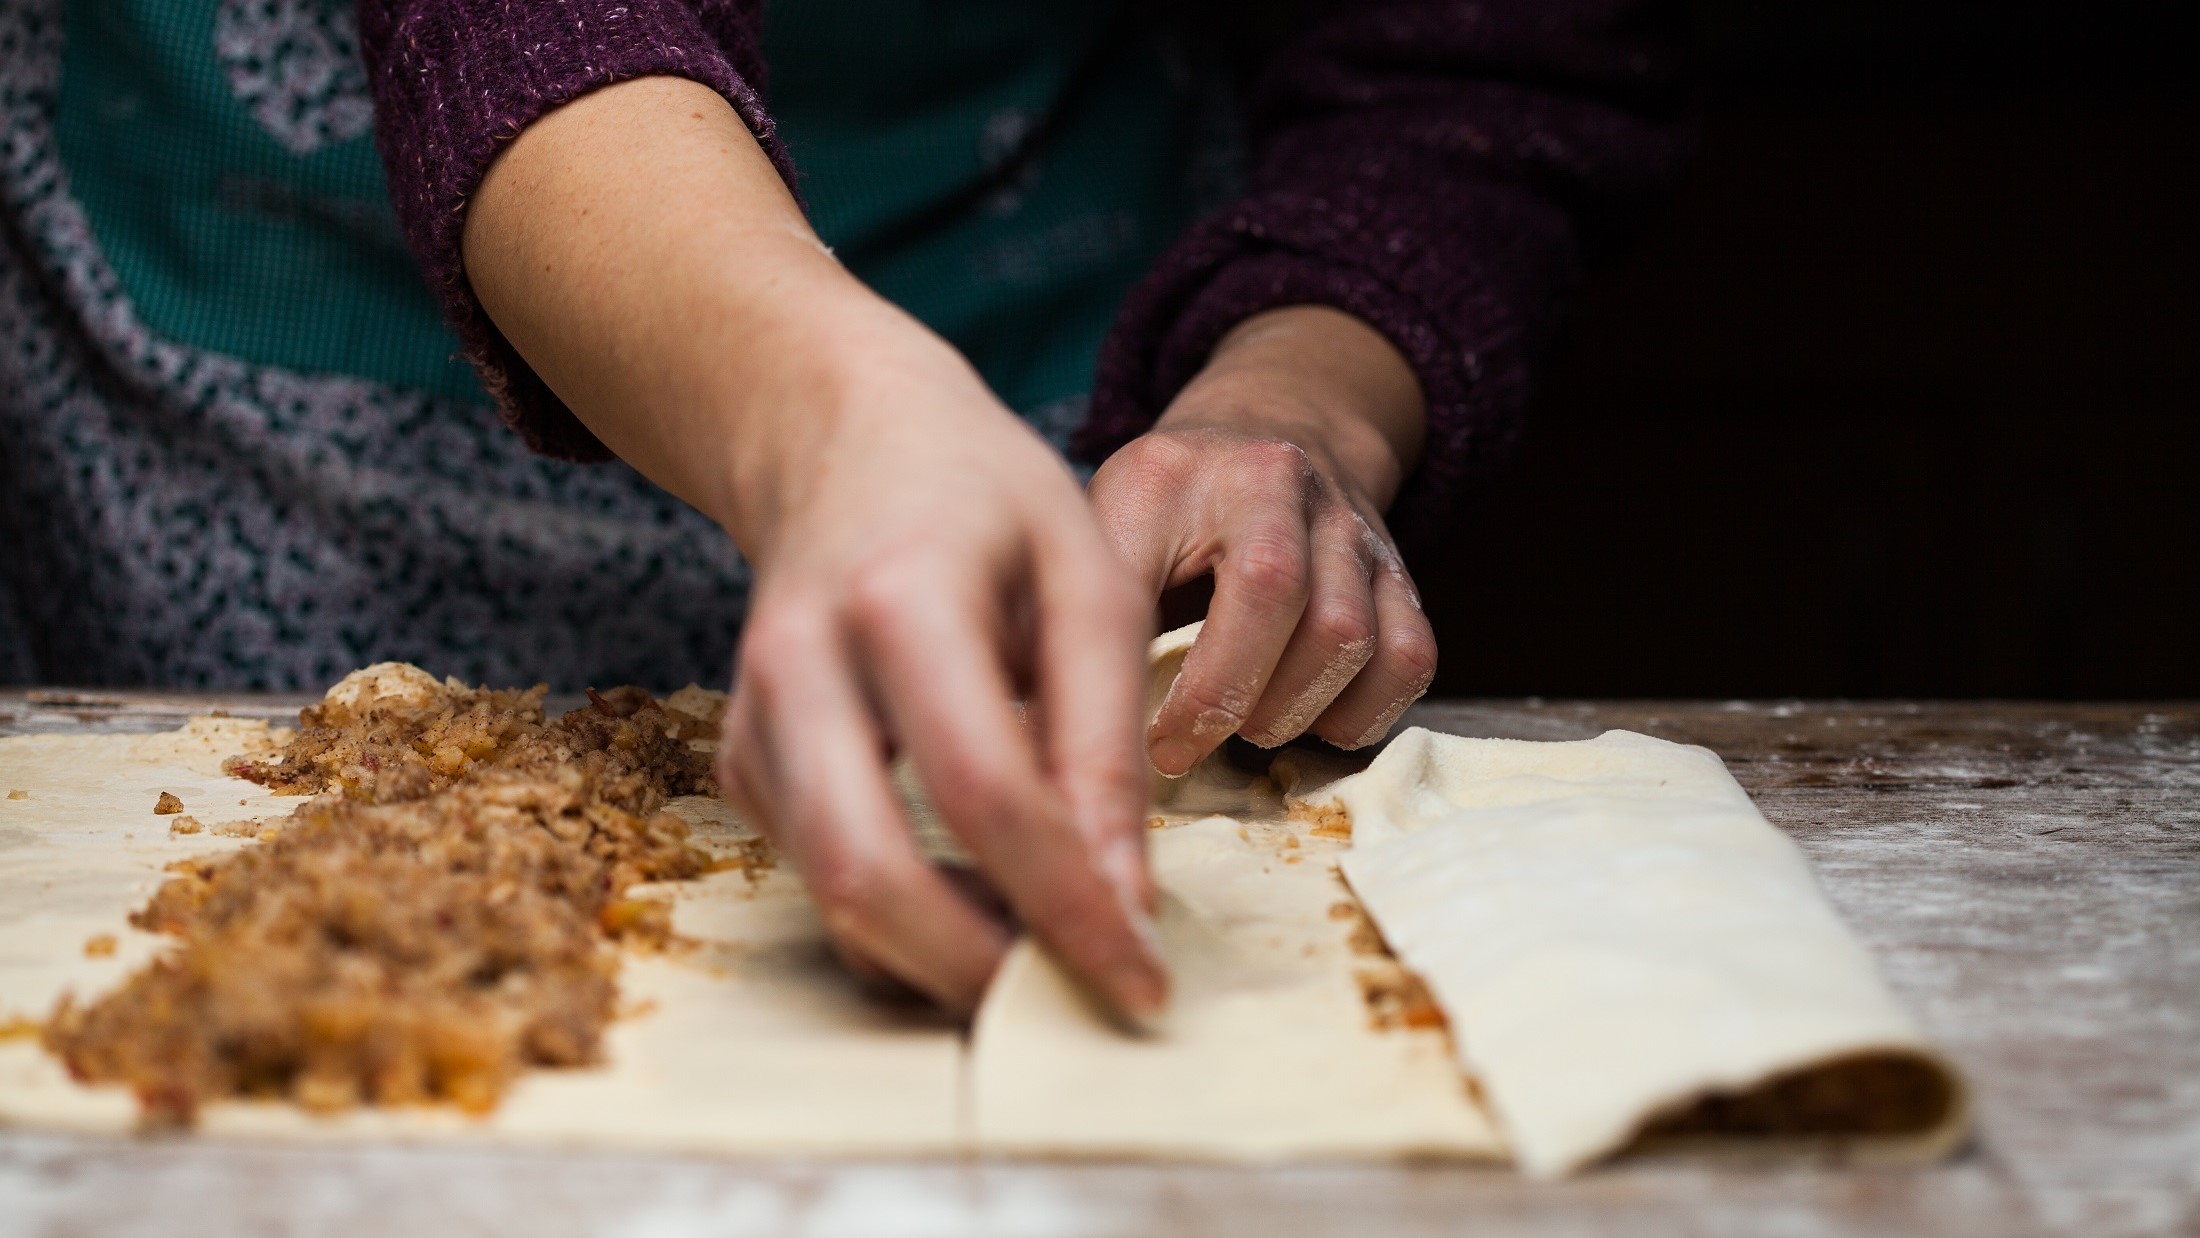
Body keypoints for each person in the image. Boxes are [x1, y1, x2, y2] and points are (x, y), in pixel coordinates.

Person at [0, 0, 1685, 1019]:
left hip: (1046, 320)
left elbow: (1480, 55)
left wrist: (1293, 390)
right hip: (240, 367)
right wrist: (827, 409)